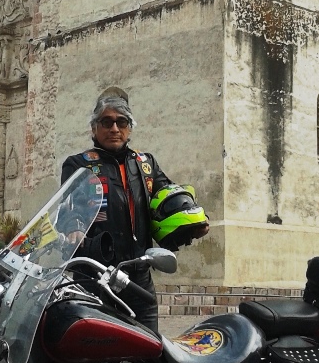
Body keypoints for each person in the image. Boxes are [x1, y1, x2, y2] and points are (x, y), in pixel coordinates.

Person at [61, 87, 208, 332]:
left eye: (121, 122)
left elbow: (171, 199)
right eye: (106, 122)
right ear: (94, 128)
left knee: (148, 351)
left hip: (138, 280)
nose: (114, 129)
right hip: (95, 277)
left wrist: (195, 223)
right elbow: (68, 206)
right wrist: (74, 229)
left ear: (130, 128)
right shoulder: (78, 164)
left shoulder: (145, 164)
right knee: (95, 352)